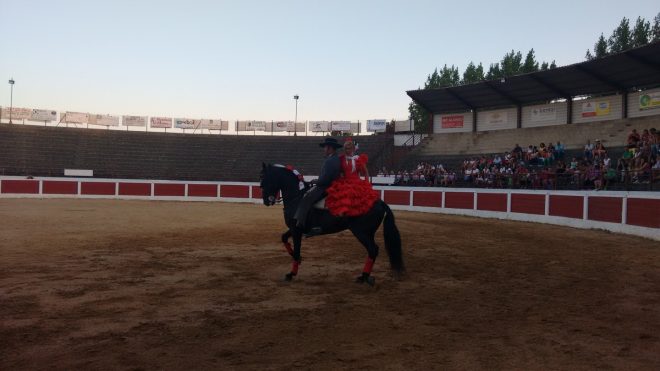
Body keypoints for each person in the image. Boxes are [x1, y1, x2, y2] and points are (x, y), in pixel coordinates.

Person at [293, 137, 342, 230]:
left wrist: (316, 181)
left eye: (325, 147)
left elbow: (325, 180)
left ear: (330, 148)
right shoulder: (335, 158)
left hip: (325, 187)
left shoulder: (330, 160)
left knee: (306, 198)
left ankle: (301, 222)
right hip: (330, 185)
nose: (324, 149)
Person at [325, 138, 379, 217]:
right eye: (346, 148)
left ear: (353, 148)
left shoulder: (358, 159)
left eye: (349, 148)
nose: (347, 150)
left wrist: (367, 183)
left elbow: (365, 172)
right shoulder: (341, 158)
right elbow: (339, 171)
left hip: (357, 182)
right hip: (345, 182)